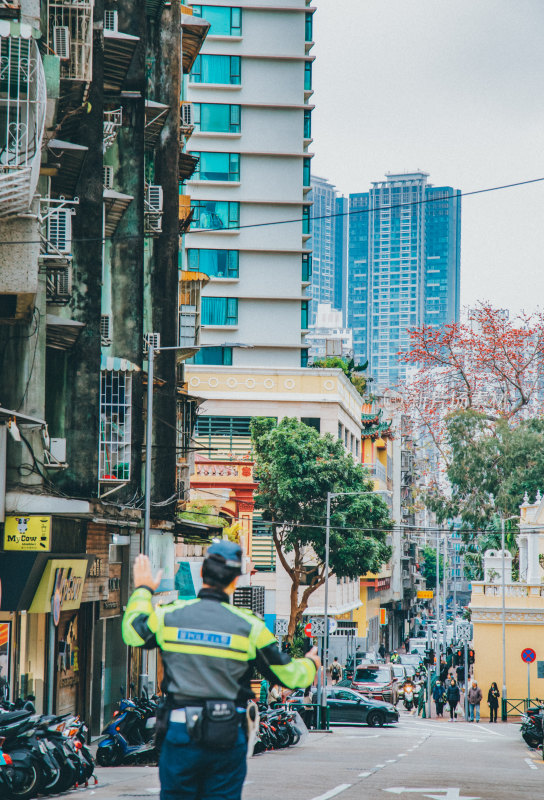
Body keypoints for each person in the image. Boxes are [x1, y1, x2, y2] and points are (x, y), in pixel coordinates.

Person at [122, 543, 319, 800]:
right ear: (236, 580)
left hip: (180, 733)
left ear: (202, 573)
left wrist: (143, 590)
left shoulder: (169, 616)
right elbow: (290, 675)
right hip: (226, 735)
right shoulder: (250, 627)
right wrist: (310, 664)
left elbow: (132, 633)